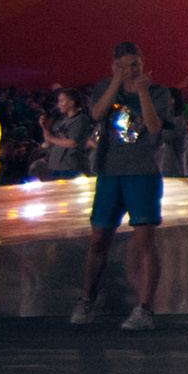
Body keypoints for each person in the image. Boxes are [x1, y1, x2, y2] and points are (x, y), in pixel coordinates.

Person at [71, 44, 175, 329]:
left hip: (142, 173)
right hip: (109, 172)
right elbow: (96, 113)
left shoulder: (158, 93)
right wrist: (117, 82)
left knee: (144, 242)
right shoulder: (106, 87)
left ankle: (144, 309)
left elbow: (154, 127)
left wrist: (142, 90)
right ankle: (87, 299)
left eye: (136, 65)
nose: (132, 70)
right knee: (98, 239)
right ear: (114, 65)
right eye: (125, 65)